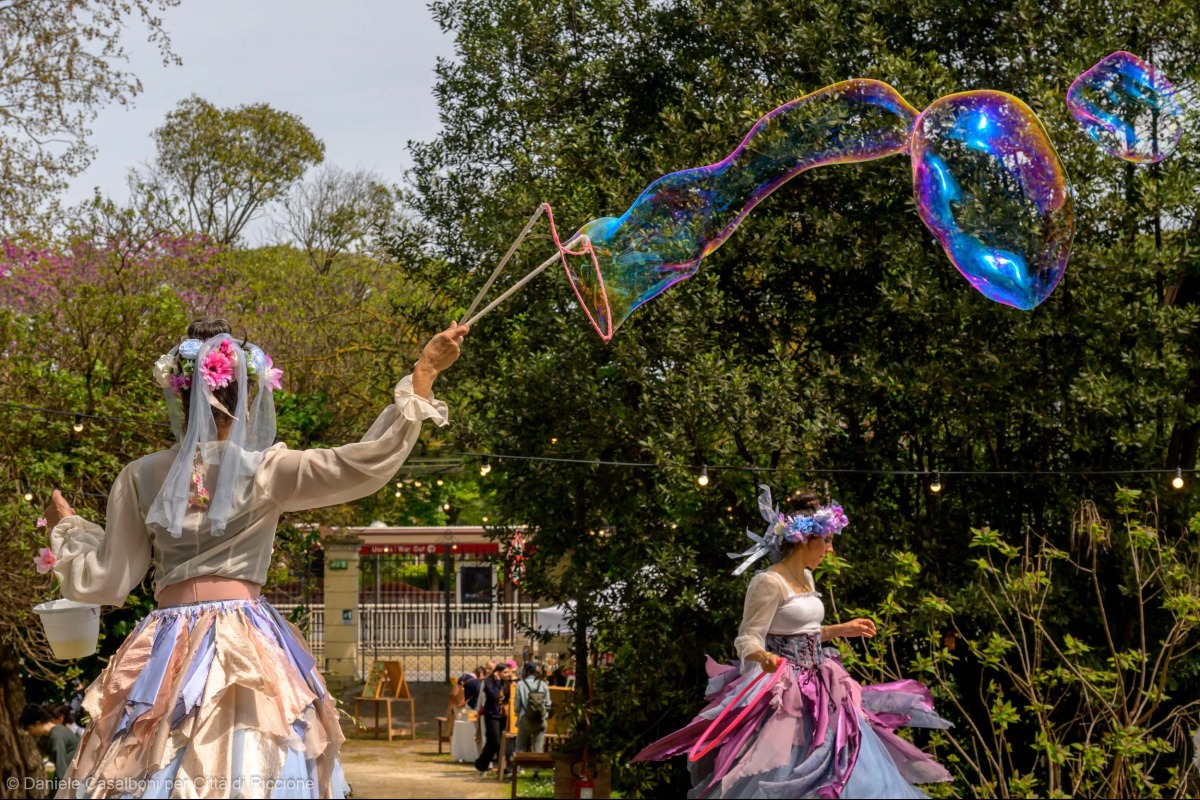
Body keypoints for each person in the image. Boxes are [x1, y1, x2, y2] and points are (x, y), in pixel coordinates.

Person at [42, 317, 468, 799]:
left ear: (180, 394)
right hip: (245, 637)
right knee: (256, 759)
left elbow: (108, 580)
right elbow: (361, 463)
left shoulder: (140, 477)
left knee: (142, 760)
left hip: (165, 642)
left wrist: (67, 530)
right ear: (247, 395)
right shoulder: (267, 469)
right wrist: (424, 373)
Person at [633, 487, 953, 798]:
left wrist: (841, 629)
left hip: (823, 681)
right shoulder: (769, 582)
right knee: (790, 766)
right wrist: (763, 657)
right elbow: (747, 637)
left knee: (843, 755)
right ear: (804, 540)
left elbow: (804, 630)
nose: (830, 550)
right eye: (826, 541)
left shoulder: (808, 578)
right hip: (785, 688)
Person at [20, 704, 80, 796]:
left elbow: (62, 774)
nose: (30, 733)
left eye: (29, 729)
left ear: (38, 723)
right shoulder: (59, 730)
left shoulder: (56, 736)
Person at [474, 663, 510, 777]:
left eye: (508, 672)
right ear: (497, 673)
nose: (507, 675)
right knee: (495, 741)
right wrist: (498, 681)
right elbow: (494, 694)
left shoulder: (506, 682)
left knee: (498, 743)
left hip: (503, 716)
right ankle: (481, 764)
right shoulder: (489, 682)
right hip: (492, 715)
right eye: (504, 672)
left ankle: (497, 767)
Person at [514, 662, 552, 753]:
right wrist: (545, 715)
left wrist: (518, 713)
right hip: (540, 719)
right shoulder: (543, 684)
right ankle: (538, 767)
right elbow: (548, 704)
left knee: (520, 747)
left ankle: (520, 767)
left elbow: (517, 706)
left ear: (525, 671)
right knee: (538, 748)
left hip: (525, 719)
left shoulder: (520, 684)